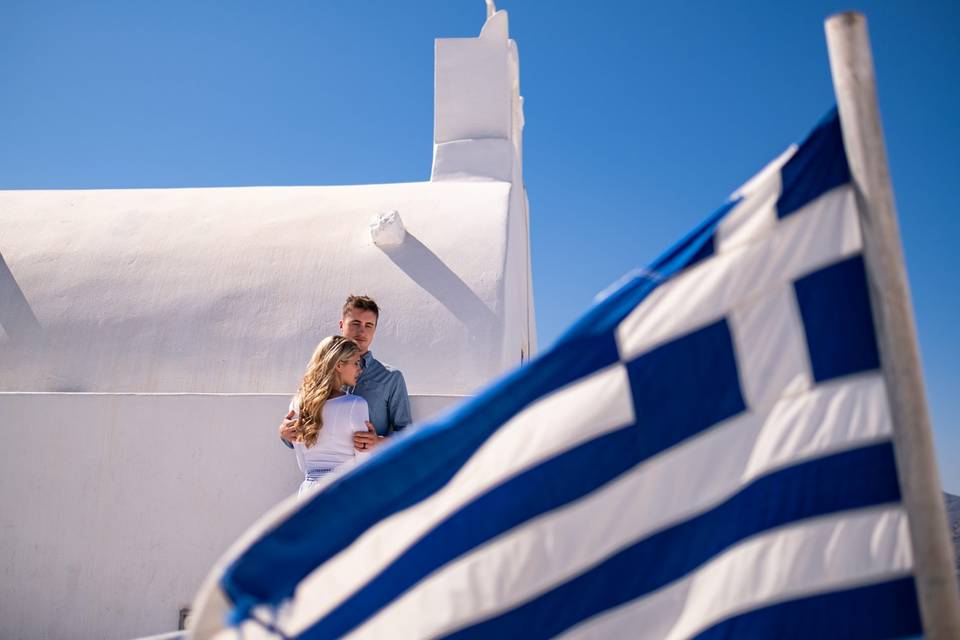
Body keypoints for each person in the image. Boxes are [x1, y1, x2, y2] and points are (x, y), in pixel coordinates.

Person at [279, 295, 412, 452]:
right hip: (325, 471)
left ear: (375, 330)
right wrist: (284, 433)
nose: (362, 331)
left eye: (369, 325)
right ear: (341, 325)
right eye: (355, 323)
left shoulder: (391, 378)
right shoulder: (318, 373)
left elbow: (407, 435)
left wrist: (378, 442)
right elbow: (300, 432)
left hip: (369, 471)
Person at [286, 336, 370, 498]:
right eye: (356, 363)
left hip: (308, 493)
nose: (359, 369)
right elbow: (363, 461)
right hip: (344, 490)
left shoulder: (297, 404)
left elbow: (303, 464)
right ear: (339, 365)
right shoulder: (355, 404)